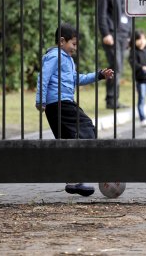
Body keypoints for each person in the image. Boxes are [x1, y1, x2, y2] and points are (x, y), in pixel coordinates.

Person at [36, 22, 115, 197]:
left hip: (57, 105)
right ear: (62, 41)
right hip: (60, 103)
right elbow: (43, 77)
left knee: (67, 141)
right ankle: (87, 168)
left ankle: (73, 182)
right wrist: (40, 99)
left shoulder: (67, 59)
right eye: (73, 43)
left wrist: (99, 75)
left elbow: (76, 79)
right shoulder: (55, 56)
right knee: (86, 126)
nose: (75, 48)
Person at [97, 0, 131, 109]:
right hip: (112, 34)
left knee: (118, 67)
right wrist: (105, 33)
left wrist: (130, 34)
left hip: (124, 34)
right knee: (116, 66)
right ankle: (112, 100)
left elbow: (132, 13)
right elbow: (102, 13)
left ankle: (112, 100)